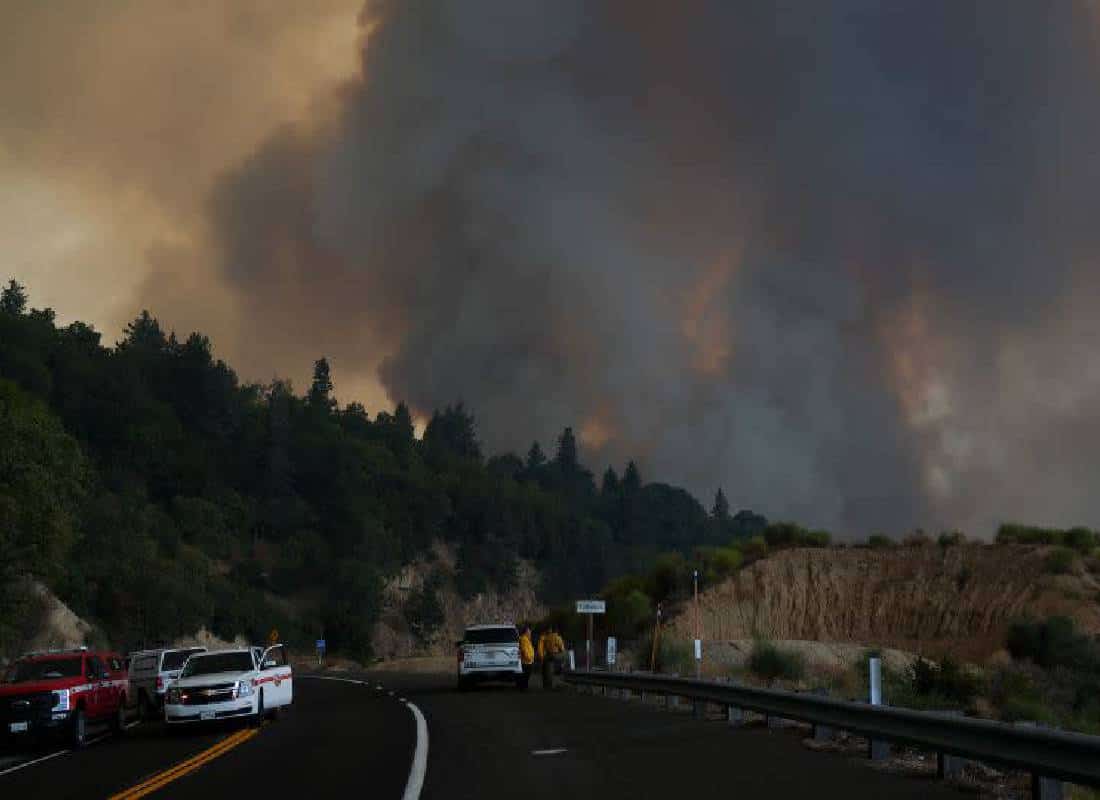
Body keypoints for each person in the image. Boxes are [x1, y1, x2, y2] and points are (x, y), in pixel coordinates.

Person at [518, 626, 535, 690]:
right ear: (525, 632)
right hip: (526, 661)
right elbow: (524, 650)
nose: (530, 632)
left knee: (527, 675)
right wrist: (529, 658)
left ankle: (524, 687)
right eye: (529, 631)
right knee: (525, 675)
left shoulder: (527, 639)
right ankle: (523, 688)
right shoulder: (523, 639)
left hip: (528, 661)